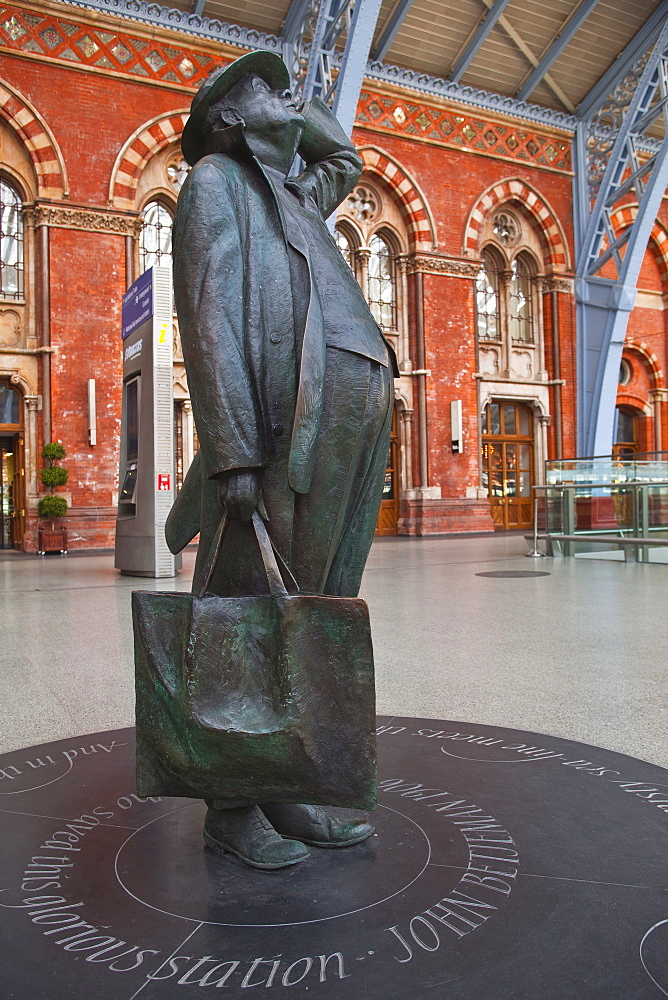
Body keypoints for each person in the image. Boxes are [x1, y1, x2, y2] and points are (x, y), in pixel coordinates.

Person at [165, 51, 398, 869]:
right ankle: (233, 805)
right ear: (226, 119)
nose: (289, 97)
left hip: (348, 409)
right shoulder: (214, 186)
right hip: (274, 431)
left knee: (317, 608)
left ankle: (290, 783)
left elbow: (345, 157)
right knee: (248, 608)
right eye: (269, 88)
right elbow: (206, 316)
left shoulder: (297, 191)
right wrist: (228, 452)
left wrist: (297, 114)